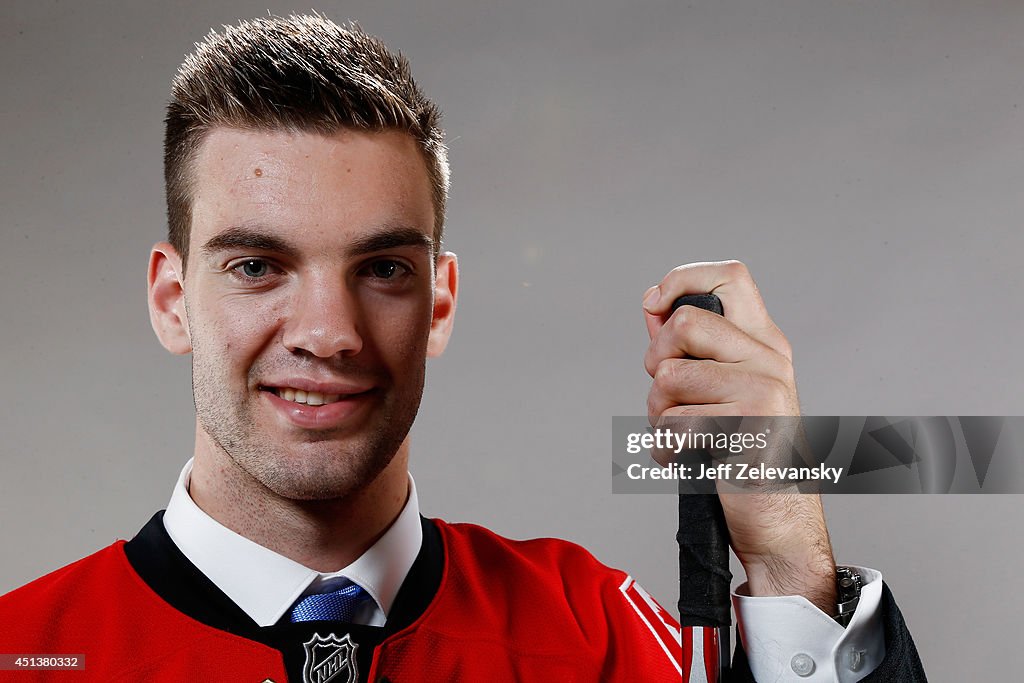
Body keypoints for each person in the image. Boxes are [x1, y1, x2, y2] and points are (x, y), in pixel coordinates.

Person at [0, 15, 925, 682]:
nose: (328, 334)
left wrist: (786, 562)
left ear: (439, 301)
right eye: (257, 265)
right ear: (172, 300)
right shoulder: (24, 651)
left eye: (384, 270)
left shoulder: (597, 636)